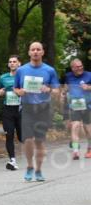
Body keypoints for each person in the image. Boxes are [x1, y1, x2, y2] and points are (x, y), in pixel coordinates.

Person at [13, 41, 61, 182]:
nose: (35, 52)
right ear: (29, 52)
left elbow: (57, 90)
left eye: (38, 49)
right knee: (27, 139)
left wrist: (50, 90)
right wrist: (20, 92)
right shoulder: (21, 70)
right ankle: (29, 167)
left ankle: (39, 170)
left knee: (39, 141)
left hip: (42, 108)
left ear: (42, 52)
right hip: (27, 108)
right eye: (32, 49)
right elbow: (15, 88)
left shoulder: (49, 70)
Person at [0, 56, 24, 170]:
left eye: (14, 62)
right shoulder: (3, 77)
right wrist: (0, 92)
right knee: (9, 135)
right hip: (8, 110)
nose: (12, 63)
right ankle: (12, 161)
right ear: (8, 65)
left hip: (21, 110)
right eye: (10, 62)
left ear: (19, 64)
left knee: (22, 137)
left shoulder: (23, 77)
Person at [63, 57, 91, 159]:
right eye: (77, 67)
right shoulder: (68, 76)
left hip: (87, 105)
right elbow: (66, 87)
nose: (80, 68)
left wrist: (88, 87)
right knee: (75, 127)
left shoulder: (89, 75)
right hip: (75, 105)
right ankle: (75, 150)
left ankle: (89, 149)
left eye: (81, 66)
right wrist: (64, 91)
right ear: (73, 68)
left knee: (88, 128)